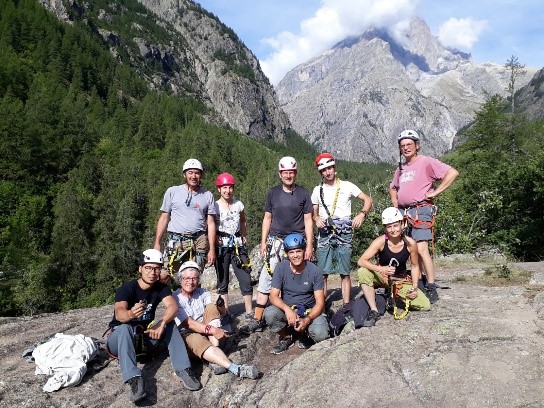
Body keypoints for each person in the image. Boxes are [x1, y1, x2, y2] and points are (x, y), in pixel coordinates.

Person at [106, 249, 201, 403]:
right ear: (140, 269)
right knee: (124, 328)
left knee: (170, 324)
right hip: (118, 341)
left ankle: (183, 369)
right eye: (148, 268)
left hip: (142, 340)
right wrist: (130, 314)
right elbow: (119, 314)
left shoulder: (161, 288)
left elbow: (173, 307)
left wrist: (161, 322)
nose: (152, 272)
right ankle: (134, 379)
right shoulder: (127, 289)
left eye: (156, 268)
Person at [242, 157, 313, 333]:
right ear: (280, 174)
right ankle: (258, 318)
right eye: (285, 173)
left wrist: (310, 246)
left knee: (297, 276)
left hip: (297, 242)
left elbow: (308, 220)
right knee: (267, 277)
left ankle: (299, 313)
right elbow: (267, 218)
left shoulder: (303, 193)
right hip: (276, 242)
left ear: (295, 173)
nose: (288, 175)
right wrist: (263, 240)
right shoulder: (273, 193)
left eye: (291, 172)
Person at [389, 130, 459, 303]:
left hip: (421, 210)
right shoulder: (401, 168)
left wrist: (437, 191)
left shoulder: (426, 162)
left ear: (417, 145)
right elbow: (393, 187)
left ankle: (431, 285)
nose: (406, 148)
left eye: (409, 145)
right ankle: (418, 282)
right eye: (403, 146)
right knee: (412, 250)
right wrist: (396, 206)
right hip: (405, 213)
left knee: (421, 248)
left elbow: (452, 173)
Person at [173, 261, 259, 380]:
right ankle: (235, 368)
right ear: (180, 279)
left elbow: (221, 312)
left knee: (212, 306)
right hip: (188, 334)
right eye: (187, 278)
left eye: (194, 278)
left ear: (198, 280)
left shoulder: (202, 292)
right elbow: (189, 324)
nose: (190, 282)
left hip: (206, 332)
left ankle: (213, 356)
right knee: (197, 339)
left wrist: (220, 304)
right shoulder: (175, 298)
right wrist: (213, 330)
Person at [311, 152, 373, 305]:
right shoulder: (317, 190)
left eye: (330, 168)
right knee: (323, 273)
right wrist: (316, 218)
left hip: (344, 233)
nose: (328, 172)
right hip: (325, 233)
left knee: (344, 272)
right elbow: (313, 213)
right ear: (321, 172)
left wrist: (362, 214)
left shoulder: (347, 186)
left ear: (334, 167)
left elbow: (367, 199)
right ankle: (321, 306)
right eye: (324, 170)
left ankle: (346, 305)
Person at [356, 208, 430, 327]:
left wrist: (415, 288)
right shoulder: (380, 241)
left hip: (400, 280)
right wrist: (381, 269)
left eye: (395, 226)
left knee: (424, 305)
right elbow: (361, 261)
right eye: (389, 227)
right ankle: (374, 310)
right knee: (363, 272)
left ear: (402, 224)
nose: (393, 230)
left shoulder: (411, 244)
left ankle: (393, 295)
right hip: (382, 276)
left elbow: (415, 266)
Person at [263, 233, 329, 354]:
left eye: (298, 251)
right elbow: (273, 296)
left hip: (309, 311)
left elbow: (320, 303)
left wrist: (307, 319)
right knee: (270, 314)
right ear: (287, 254)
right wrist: (287, 310)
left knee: (321, 334)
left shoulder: (314, 271)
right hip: (289, 309)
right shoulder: (281, 268)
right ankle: (287, 335)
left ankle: (307, 333)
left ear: (304, 251)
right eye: (291, 252)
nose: (295, 256)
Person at [153, 158, 217, 280]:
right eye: (190, 172)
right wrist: (157, 242)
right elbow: (164, 217)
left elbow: (211, 223)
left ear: (201, 175)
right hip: (176, 239)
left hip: (199, 240)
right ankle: (160, 299)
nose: (193, 176)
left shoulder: (207, 195)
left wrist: (212, 249)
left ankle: (192, 299)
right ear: (184, 175)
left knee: (195, 276)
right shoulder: (172, 191)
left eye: (197, 173)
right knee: (164, 274)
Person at [213, 173, 253, 317]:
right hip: (221, 245)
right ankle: (225, 313)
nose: (227, 191)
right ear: (219, 189)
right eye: (224, 187)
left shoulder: (238, 204)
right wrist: (214, 239)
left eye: (230, 187)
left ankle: (249, 311)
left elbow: (242, 221)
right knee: (223, 280)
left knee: (245, 277)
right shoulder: (215, 206)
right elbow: (210, 225)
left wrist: (243, 235)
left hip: (237, 243)